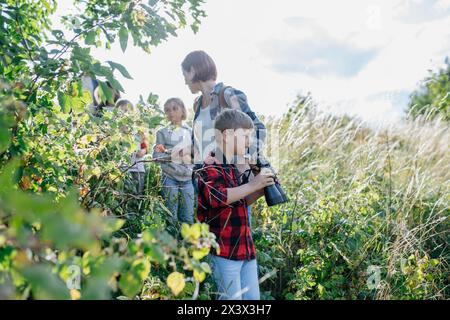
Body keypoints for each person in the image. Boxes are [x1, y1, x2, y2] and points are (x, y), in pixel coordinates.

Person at [181, 50, 266, 225]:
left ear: (193, 70)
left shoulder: (227, 95)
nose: (184, 80)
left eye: (185, 74)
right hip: (205, 179)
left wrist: (244, 160)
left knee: (234, 238)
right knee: (208, 238)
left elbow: (256, 129)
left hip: (230, 180)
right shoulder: (197, 104)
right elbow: (201, 141)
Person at [197, 109, 274, 300]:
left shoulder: (235, 165)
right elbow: (217, 197)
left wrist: (261, 187)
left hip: (245, 248)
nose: (249, 141)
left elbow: (241, 200)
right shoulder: (210, 164)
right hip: (224, 251)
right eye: (245, 136)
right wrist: (252, 184)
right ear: (227, 135)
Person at [153, 98, 194, 224]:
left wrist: (187, 154)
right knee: (171, 216)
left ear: (182, 110)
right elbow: (156, 156)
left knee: (187, 216)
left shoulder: (190, 132)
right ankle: (172, 242)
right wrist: (174, 153)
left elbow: (196, 156)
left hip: (187, 178)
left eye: (175, 108)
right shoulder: (162, 133)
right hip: (169, 177)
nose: (171, 112)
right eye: (167, 110)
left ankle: (187, 243)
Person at [116, 99, 148, 194]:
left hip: (137, 168)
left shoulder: (138, 130)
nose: (125, 114)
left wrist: (142, 152)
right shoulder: (115, 130)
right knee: (121, 194)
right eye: (122, 111)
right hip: (122, 169)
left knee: (137, 194)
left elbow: (144, 146)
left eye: (127, 111)